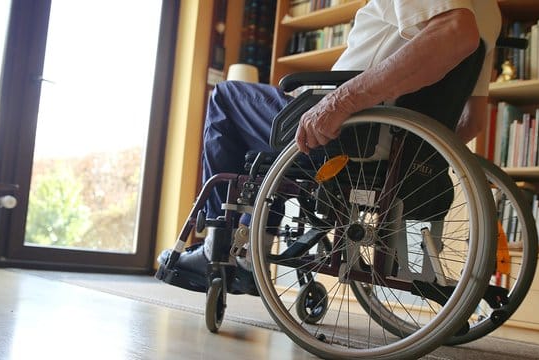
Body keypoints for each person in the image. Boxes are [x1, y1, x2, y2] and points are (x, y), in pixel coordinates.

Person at [157, 0, 502, 294]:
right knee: (270, 145)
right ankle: (247, 251)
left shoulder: (461, 15)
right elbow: (471, 122)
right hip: (386, 147)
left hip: (345, 131)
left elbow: (456, 32)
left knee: (227, 97)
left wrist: (340, 102)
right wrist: (415, 156)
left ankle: (224, 249)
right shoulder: (490, 12)